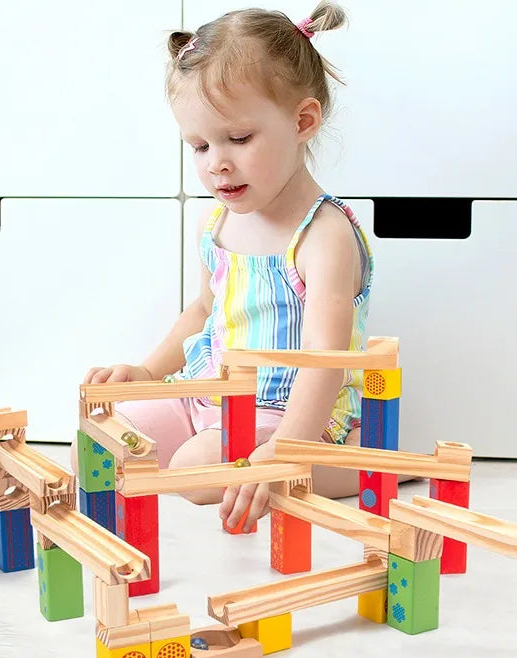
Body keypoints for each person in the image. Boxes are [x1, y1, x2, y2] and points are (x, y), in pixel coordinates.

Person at [77, 2, 375, 533]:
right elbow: (202, 312)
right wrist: (148, 373)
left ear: (303, 121)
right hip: (208, 396)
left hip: (290, 413)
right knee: (109, 442)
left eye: (238, 139)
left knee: (193, 472)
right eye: (199, 145)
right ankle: (233, 451)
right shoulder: (216, 224)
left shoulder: (322, 234)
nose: (216, 161)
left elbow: (325, 359)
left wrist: (287, 449)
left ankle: (349, 462)